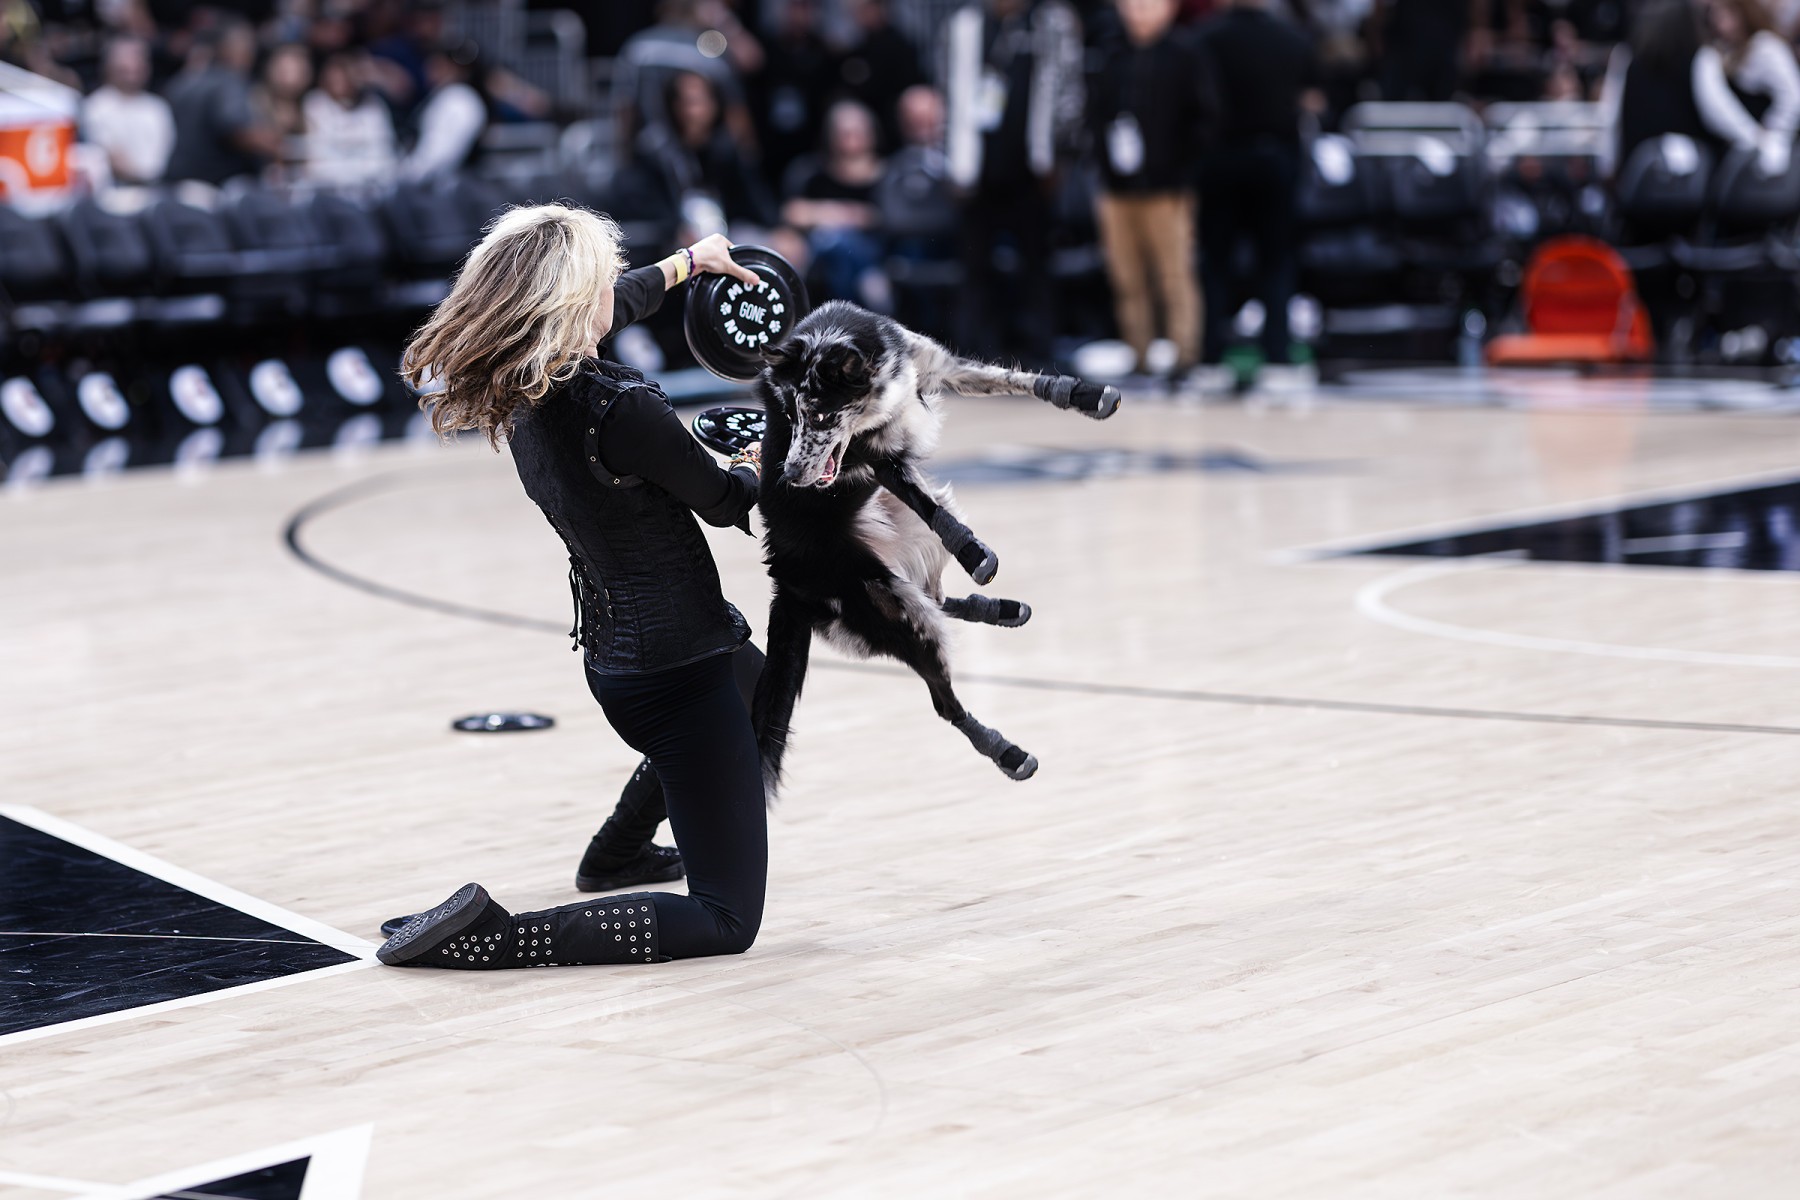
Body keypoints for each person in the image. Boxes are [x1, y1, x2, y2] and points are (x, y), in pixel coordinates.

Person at [384, 214, 771, 969]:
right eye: (602, 277)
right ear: (570, 300)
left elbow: (619, 303)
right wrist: (762, 457)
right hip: (680, 673)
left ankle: (617, 854)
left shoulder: (523, 381)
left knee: (757, 688)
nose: (613, 288)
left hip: (622, 660)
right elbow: (727, 503)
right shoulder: (623, 409)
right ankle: (498, 937)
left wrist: (691, 263)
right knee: (726, 919)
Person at [941, 0, 1085, 367]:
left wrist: (1060, 155)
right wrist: (952, 161)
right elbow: (946, 93)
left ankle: (1037, 355)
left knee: (1036, 268)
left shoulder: (1051, 22)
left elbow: (1071, 91)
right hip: (976, 170)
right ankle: (974, 356)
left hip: (1033, 169)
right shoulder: (964, 25)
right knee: (975, 268)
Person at [1195, 0, 1319, 382]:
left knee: (1215, 265)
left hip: (1220, 162)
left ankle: (1210, 360)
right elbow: (1312, 102)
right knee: (1276, 264)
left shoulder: (1204, 39)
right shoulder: (1293, 39)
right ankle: (1277, 358)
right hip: (1274, 160)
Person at [1088, 0, 1212, 380]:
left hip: (1167, 189)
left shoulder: (1186, 54)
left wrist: (1180, 166)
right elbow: (1095, 114)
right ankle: (1138, 352)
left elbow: (1205, 118)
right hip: (1117, 188)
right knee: (1127, 276)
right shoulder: (1111, 54)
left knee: (1174, 274)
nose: (1138, 11)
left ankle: (1184, 353)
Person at [1599, 0, 1778, 179]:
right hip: (1690, 179)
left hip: (1636, 175)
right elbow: (1720, 114)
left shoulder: (1626, 58)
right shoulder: (1701, 58)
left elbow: (1611, 118)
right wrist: (1759, 141)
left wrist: (1607, 166)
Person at [782, 99, 890, 307]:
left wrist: (820, 214)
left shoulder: (888, 176)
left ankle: (848, 311)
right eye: (843, 132)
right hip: (818, 252)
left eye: (857, 131)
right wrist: (845, 214)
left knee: (836, 243)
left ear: (872, 133)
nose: (850, 138)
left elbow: (885, 217)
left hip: (873, 254)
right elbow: (792, 212)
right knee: (827, 243)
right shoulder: (811, 173)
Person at [163, 17, 282, 185]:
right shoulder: (229, 81)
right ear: (224, 47)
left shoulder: (183, 80)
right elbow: (236, 130)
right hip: (214, 184)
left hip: (176, 180)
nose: (250, 51)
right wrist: (276, 146)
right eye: (245, 44)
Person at [1707, 0, 1800, 156]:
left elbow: (1793, 97)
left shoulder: (1766, 47)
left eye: (1725, 14)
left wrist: (1772, 134)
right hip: (1745, 149)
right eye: (1714, 15)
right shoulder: (1723, 52)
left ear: (1744, 13)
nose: (1718, 23)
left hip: (1775, 150)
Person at [82, 35, 175, 185]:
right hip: (114, 190)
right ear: (109, 66)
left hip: (157, 187)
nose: (132, 66)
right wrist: (143, 177)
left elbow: (161, 159)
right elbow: (111, 157)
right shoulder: (95, 107)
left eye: (138, 59)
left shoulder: (157, 107)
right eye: (125, 62)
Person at [301, 48, 398, 187]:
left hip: (371, 186)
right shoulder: (315, 104)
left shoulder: (374, 105)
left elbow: (383, 155)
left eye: (346, 75)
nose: (341, 82)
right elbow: (319, 162)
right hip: (327, 188)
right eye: (335, 78)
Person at [397, 39, 486, 181]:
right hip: (431, 183)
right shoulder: (441, 95)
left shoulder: (459, 100)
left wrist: (406, 176)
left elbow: (440, 156)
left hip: (447, 185)